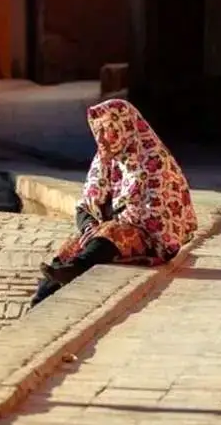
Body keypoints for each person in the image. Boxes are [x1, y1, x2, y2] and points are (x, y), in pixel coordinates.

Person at [30, 98, 198, 307]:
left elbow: (154, 214)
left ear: (124, 126)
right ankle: (39, 301)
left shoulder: (153, 160)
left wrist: (109, 225)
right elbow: (86, 204)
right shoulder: (104, 159)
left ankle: (78, 268)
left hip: (150, 239)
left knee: (112, 233)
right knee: (71, 246)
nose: (102, 137)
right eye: (98, 131)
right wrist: (89, 226)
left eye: (108, 130)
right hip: (105, 232)